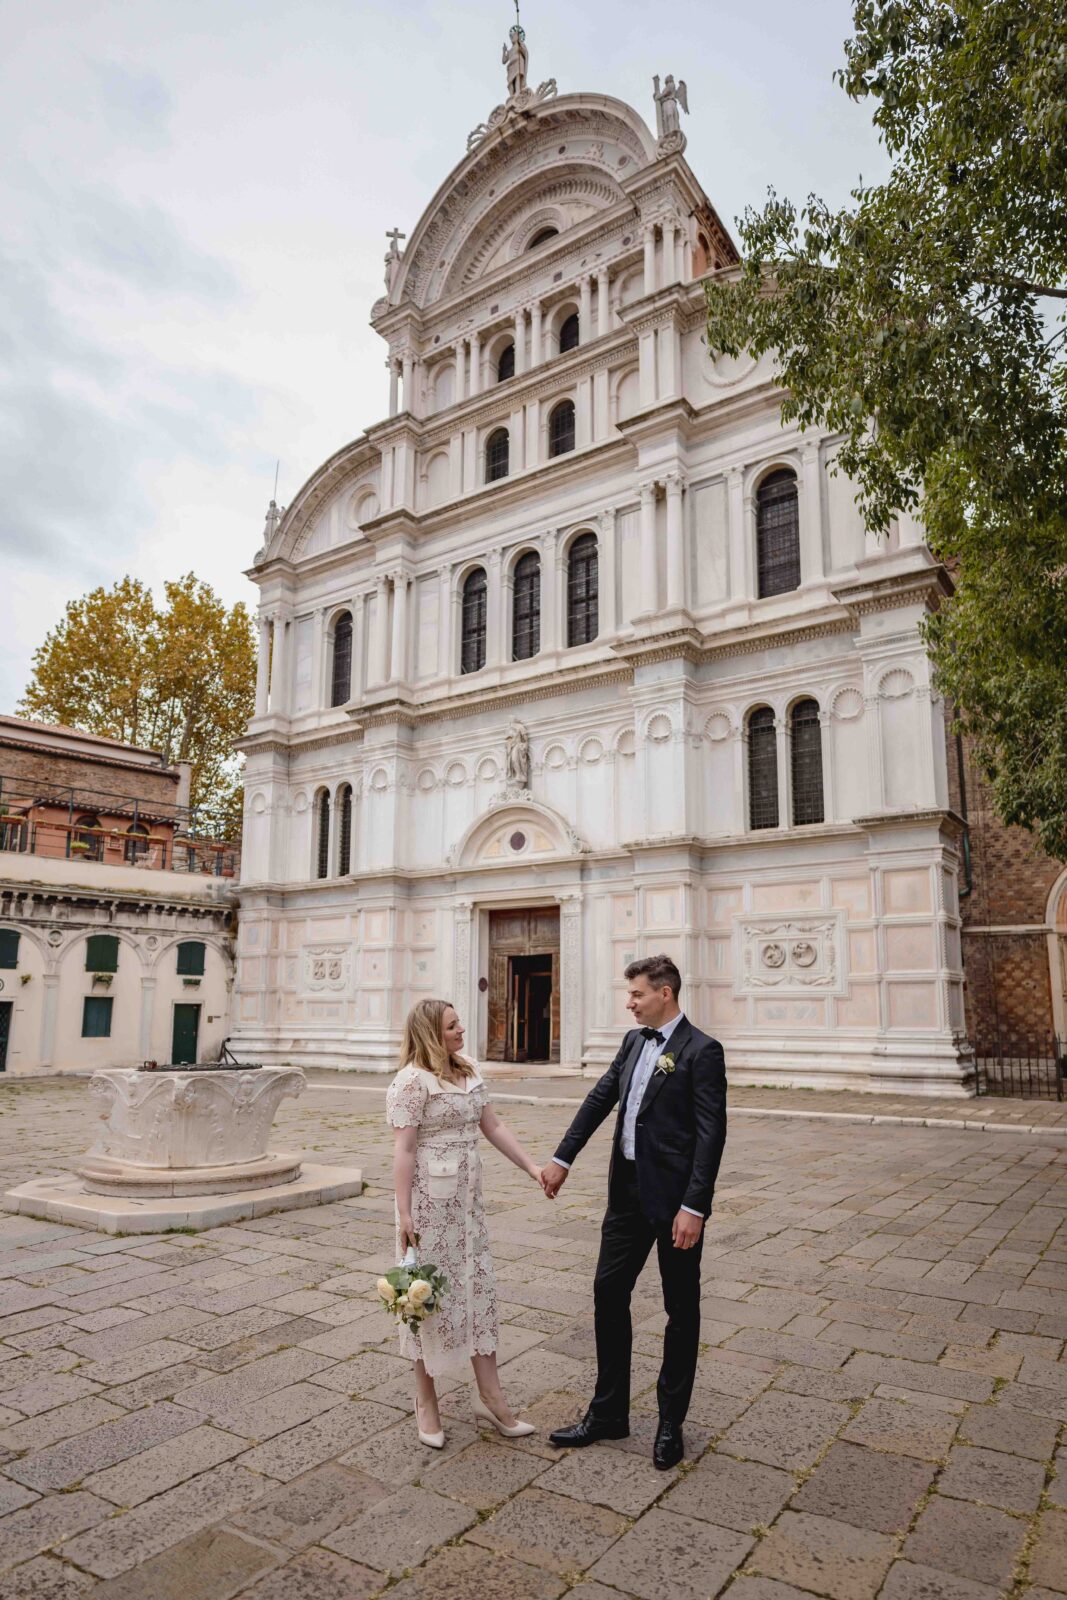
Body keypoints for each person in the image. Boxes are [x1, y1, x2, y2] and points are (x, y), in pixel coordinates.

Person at [540, 954, 727, 1469]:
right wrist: (562, 1157)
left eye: (637, 994)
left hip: (674, 1205)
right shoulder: (631, 1042)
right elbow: (601, 1098)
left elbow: (712, 1136)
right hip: (625, 1196)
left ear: (665, 993)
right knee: (607, 1292)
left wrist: (695, 1206)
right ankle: (608, 1413)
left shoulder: (702, 1051)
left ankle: (671, 1423)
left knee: (680, 1310)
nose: (630, 1002)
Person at [386, 998, 541, 1448]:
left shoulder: (469, 1069)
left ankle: (491, 1398)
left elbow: (491, 1126)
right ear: (432, 1032)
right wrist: (404, 1213)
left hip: (468, 1206)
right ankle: (425, 1400)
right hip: (428, 1208)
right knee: (423, 1297)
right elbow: (405, 1150)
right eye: (452, 1026)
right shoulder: (411, 1082)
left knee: (477, 1289)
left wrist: (531, 1168)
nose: (461, 1031)